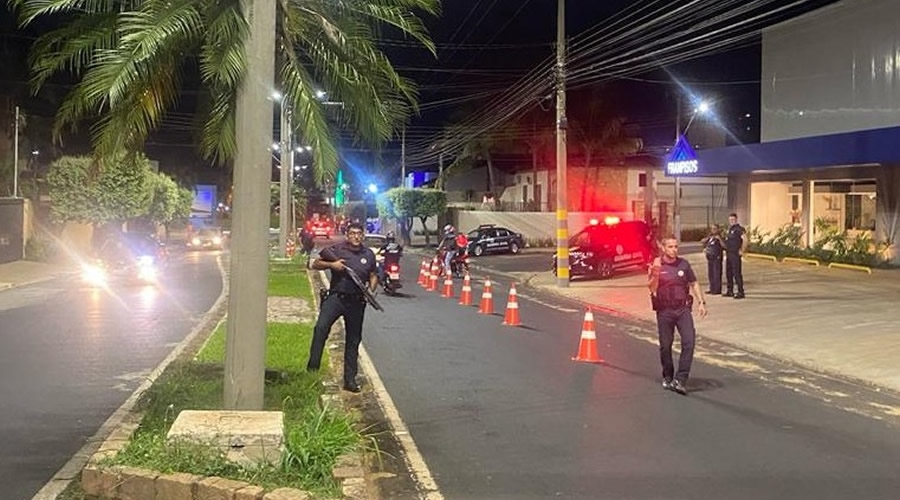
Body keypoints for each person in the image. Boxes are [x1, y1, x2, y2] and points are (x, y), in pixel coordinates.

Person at [307, 222, 378, 393]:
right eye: (352, 233)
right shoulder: (337, 250)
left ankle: (350, 380)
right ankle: (312, 372)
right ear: (347, 235)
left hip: (357, 302)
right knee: (320, 330)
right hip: (336, 298)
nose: (356, 236)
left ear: (363, 235)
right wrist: (333, 265)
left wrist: (371, 290)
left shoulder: (368, 254)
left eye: (359, 233)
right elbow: (315, 264)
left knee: (353, 340)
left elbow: (373, 275)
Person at [648, 237, 708, 395]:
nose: (674, 250)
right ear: (663, 248)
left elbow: (694, 283)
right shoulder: (657, 265)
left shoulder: (684, 264)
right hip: (664, 311)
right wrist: (656, 273)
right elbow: (652, 288)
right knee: (665, 346)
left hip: (682, 310)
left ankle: (680, 379)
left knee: (689, 342)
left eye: (676, 246)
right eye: (670, 247)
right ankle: (668, 376)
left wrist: (701, 302)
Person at [724, 213, 748, 299]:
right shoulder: (729, 229)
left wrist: (742, 250)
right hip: (729, 254)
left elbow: (745, 239)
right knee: (729, 273)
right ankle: (730, 291)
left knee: (737, 273)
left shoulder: (739, 229)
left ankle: (741, 292)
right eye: (730, 220)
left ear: (736, 219)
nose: (731, 221)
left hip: (735, 254)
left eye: (733, 219)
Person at [701, 224, 725, 295]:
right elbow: (702, 241)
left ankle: (717, 290)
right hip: (710, 257)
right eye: (712, 229)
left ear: (718, 229)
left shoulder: (720, 237)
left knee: (716, 273)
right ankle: (712, 288)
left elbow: (724, 246)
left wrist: (719, 239)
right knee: (711, 274)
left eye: (715, 229)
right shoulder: (710, 237)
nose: (713, 230)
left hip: (717, 257)